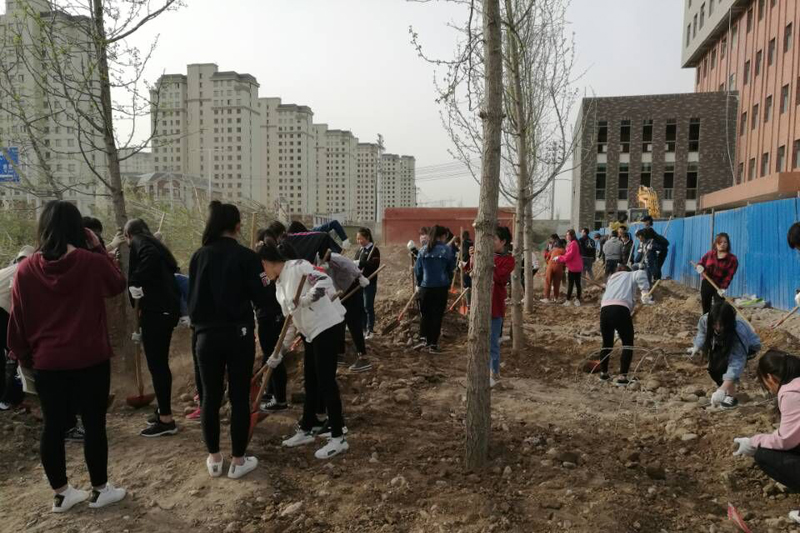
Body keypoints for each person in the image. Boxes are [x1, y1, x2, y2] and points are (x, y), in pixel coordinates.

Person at [7, 200, 127, 512]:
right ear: (79, 229)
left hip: (47, 362)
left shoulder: (25, 270)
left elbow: (18, 320)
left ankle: (61, 494)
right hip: (90, 359)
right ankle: (100, 490)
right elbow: (117, 284)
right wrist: (98, 248)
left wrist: (24, 358)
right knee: (94, 424)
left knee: (53, 426)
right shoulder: (91, 262)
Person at [189, 201, 268, 479]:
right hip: (238, 335)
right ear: (236, 226)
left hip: (205, 336)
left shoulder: (199, 256)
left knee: (209, 397)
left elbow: (192, 300)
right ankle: (238, 460)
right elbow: (263, 297)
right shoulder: (247, 257)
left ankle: (214, 458)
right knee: (239, 396)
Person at [259, 241, 350, 459]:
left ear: (267, 263)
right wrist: (279, 352)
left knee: (326, 381)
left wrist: (306, 299)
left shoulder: (297, 266)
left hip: (325, 326)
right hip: (309, 333)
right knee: (310, 381)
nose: (263, 273)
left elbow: (324, 280)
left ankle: (338, 437)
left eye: (262, 268)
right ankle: (307, 428)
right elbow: (290, 323)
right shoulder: (279, 287)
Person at [124, 218, 181, 438]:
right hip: (163, 311)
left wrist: (136, 281)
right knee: (159, 364)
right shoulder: (152, 243)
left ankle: (166, 419)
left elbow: (150, 258)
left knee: (157, 365)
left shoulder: (141, 242)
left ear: (129, 235)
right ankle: (162, 411)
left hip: (157, 313)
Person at [731, 350, 800, 525]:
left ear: (769, 377)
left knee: (764, 454)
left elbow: (785, 440)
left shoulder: (792, 394)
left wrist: (753, 442)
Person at [687, 301, 761, 409]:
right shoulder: (706, 320)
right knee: (714, 369)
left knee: (724, 365)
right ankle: (724, 389)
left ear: (728, 323)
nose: (717, 328)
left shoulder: (739, 331)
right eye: (714, 324)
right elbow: (702, 333)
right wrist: (697, 345)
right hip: (722, 340)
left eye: (721, 325)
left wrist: (722, 389)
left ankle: (731, 396)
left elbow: (736, 361)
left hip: (748, 347)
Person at [596, 264, 651, 385]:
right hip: (620, 310)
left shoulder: (611, 279)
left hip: (604, 311)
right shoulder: (630, 274)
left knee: (607, 343)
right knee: (627, 344)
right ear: (627, 270)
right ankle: (622, 378)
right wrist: (644, 292)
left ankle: (604, 374)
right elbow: (641, 273)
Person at [324, 249, 372, 373]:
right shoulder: (314, 261)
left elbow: (350, 264)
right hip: (339, 292)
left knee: (353, 322)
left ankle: (363, 357)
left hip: (351, 288)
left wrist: (360, 276)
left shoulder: (335, 258)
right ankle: (340, 354)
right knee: (339, 321)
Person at [414, 225, 456, 353]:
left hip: (425, 287)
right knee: (437, 315)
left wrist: (419, 284)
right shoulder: (447, 250)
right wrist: (448, 281)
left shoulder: (423, 250)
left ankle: (424, 339)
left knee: (425, 314)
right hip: (441, 288)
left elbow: (418, 270)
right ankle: (433, 344)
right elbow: (451, 268)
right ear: (443, 236)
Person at [484, 227, 514, 387]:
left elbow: (500, 277)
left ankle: (494, 373)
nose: (490, 242)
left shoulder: (508, 260)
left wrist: (489, 263)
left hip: (495, 306)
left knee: (493, 342)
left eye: (494, 239)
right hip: (481, 306)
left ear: (503, 242)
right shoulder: (485, 255)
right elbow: (470, 269)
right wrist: (473, 257)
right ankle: (481, 372)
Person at [695, 232, 738, 315]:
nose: (722, 244)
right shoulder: (710, 254)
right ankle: (706, 321)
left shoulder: (732, 259)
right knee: (706, 307)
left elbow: (729, 276)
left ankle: (718, 321)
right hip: (707, 282)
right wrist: (699, 267)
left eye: (725, 242)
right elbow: (701, 263)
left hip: (720, 286)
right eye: (720, 242)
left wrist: (723, 288)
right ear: (716, 243)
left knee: (719, 307)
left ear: (728, 244)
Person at [270, 220, 342, 264]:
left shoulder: (287, 241)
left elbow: (323, 235)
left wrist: (323, 262)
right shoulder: (287, 242)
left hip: (327, 250)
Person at [354, 227, 380, 341]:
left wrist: (360, 262)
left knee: (367, 306)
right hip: (359, 282)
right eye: (357, 239)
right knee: (360, 307)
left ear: (367, 237)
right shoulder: (359, 250)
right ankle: (363, 328)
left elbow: (374, 265)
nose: (359, 241)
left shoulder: (374, 250)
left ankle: (370, 330)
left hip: (369, 282)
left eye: (361, 238)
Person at [555, 229, 583, 306]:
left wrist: (559, 258)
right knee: (577, 284)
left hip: (573, 267)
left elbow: (568, 256)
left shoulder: (573, 244)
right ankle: (577, 299)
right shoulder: (575, 242)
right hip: (576, 266)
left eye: (568, 235)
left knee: (571, 284)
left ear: (571, 236)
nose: (566, 236)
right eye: (566, 235)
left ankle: (568, 300)